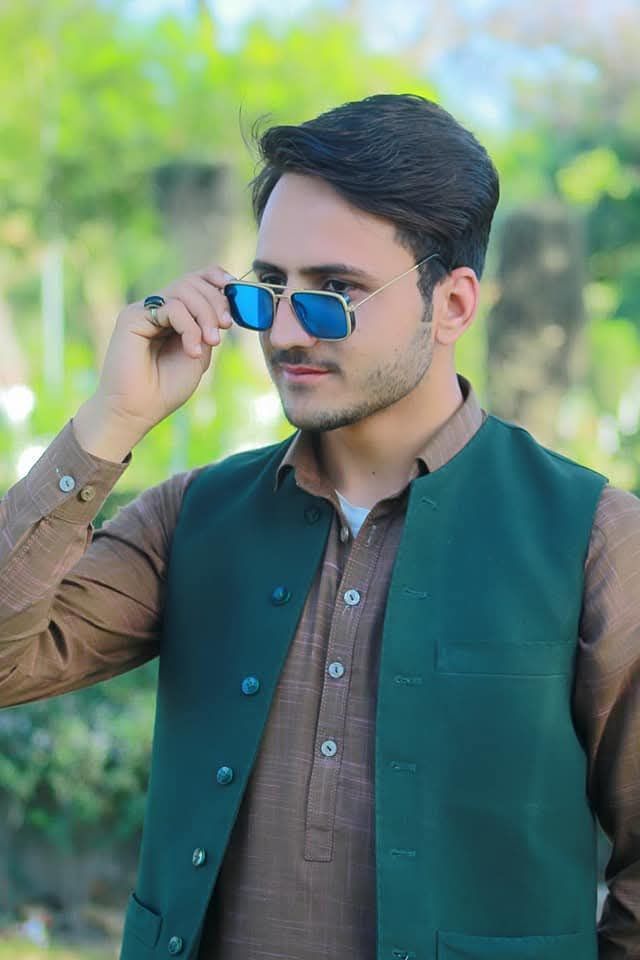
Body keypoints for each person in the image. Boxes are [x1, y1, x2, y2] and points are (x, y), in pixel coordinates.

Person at [0, 93, 638, 960]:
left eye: (335, 292)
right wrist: (112, 421)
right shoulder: (193, 517)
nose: (288, 331)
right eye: (269, 288)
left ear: (452, 304)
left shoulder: (590, 537)